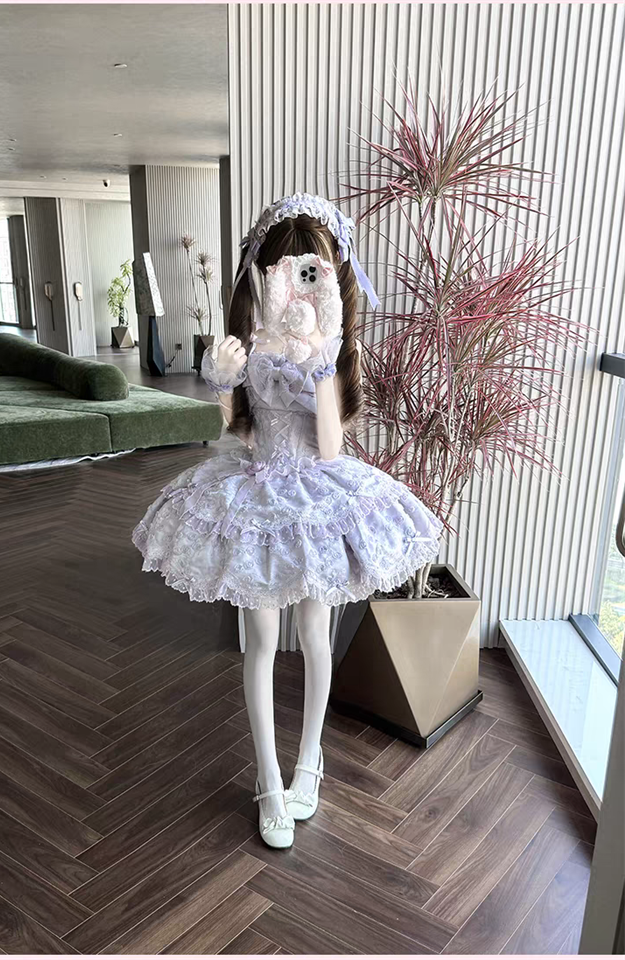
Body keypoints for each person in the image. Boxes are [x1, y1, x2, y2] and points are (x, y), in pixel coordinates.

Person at [133, 192, 443, 848]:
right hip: (257, 490)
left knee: (314, 633)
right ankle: (269, 779)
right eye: (284, 269)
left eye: (312, 270)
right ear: (262, 273)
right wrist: (223, 383)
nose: (297, 283)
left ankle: (309, 763)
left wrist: (322, 359)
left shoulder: (330, 349)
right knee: (262, 641)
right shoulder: (256, 343)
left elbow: (329, 448)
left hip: (317, 496)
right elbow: (242, 432)